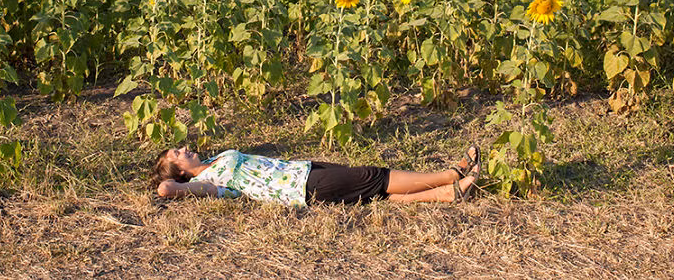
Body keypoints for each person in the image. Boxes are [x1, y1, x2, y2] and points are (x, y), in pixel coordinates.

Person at [152, 144, 481, 207]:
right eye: (177, 154)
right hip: (301, 188)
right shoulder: (207, 184)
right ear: (180, 170)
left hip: (302, 169)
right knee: (374, 176)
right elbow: (165, 189)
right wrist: (174, 182)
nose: (184, 148)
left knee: (370, 193)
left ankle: (446, 195)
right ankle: (449, 175)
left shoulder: (215, 159)